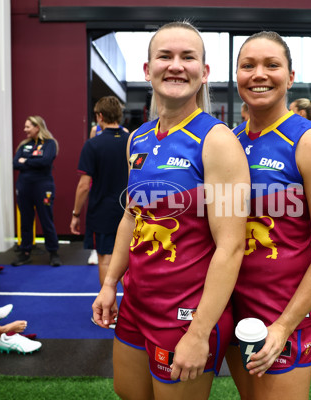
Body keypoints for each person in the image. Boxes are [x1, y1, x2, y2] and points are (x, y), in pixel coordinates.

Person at [92, 21, 249, 400]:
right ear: (148, 70)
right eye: (165, 56)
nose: (175, 65)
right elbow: (132, 215)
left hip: (185, 315)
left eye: (187, 57)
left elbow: (231, 247)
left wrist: (198, 332)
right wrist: (110, 283)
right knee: (128, 392)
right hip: (136, 303)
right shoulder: (139, 137)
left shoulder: (218, 141)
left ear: (204, 72)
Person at [226, 31, 311, 400]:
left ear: (290, 77)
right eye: (248, 65)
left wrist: (283, 326)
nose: (258, 74)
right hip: (231, 307)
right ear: (237, 75)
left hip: (282, 311)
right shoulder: (229, 141)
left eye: (271, 65)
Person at [71, 96, 130, 289]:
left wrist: (76, 214)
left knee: (105, 260)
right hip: (129, 211)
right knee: (128, 263)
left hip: (102, 211)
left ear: (100, 116)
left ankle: (109, 313)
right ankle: (134, 310)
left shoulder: (92, 145)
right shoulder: (132, 140)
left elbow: (83, 185)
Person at [12, 115, 61, 267]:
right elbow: (15, 163)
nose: (24, 130)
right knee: (25, 220)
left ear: (37, 127)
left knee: (46, 219)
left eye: (28, 127)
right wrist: (33, 162)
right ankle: (25, 252)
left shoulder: (50, 143)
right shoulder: (24, 145)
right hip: (24, 187)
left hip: (43, 187)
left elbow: (45, 161)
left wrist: (25, 161)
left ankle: (53, 252)